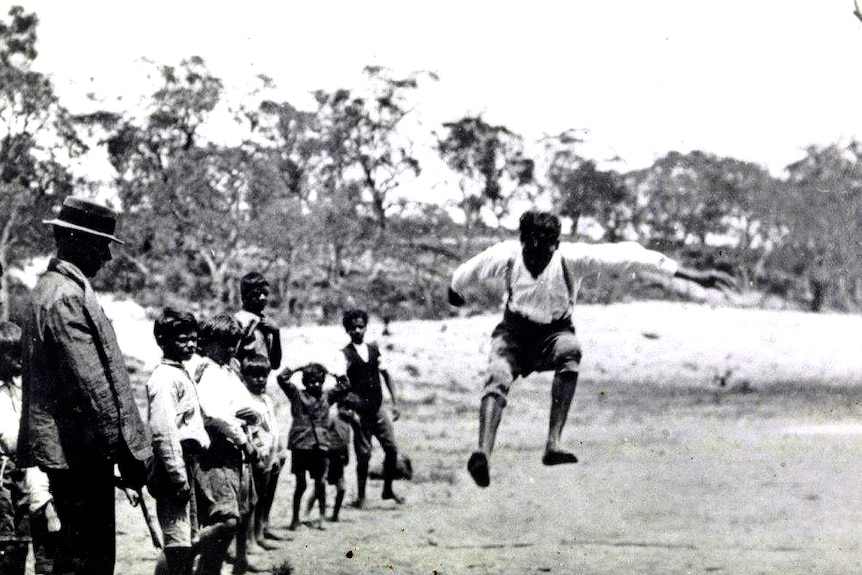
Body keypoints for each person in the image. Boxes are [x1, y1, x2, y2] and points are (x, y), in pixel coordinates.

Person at [448, 210, 736, 487]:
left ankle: (553, 444)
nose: (535, 260)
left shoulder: (573, 259)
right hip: (514, 332)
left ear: (556, 246)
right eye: (530, 252)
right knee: (497, 374)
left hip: (554, 332)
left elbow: (632, 257)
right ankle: (483, 452)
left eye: (542, 253)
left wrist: (694, 277)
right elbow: (463, 275)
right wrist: (455, 293)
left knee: (570, 350)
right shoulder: (505, 256)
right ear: (521, 243)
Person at [17, 196, 153, 575]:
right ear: (75, 241)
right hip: (77, 456)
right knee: (88, 562)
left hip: (73, 453)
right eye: (101, 245)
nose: (107, 257)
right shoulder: (65, 298)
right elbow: (92, 389)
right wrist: (132, 457)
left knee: (76, 558)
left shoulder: (55, 290)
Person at [191, 313, 264, 575]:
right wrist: (244, 440)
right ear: (208, 343)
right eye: (225, 344)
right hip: (216, 454)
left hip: (233, 455)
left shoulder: (227, 370)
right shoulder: (206, 370)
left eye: (233, 343)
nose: (230, 349)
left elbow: (249, 406)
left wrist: (251, 416)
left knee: (234, 521)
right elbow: (215, 415)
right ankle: (185, 550)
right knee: (226, 519)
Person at [146, 308, 211, 575]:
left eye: (194, 338)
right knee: (178, 541)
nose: (191, 344)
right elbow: (164, 431)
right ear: (163, 340)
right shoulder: (163, 379)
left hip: (189, 464)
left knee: (190, 537)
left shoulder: (180, 372)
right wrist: (177, 476)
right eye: (183, 339)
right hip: (175, 466)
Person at [340, 309, 404, 508]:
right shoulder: (345, 354)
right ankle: (361, 497)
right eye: (353, 328)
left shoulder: (374, 350)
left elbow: (387, 376)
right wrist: (349, 411)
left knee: (391, 449)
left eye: (361, 326)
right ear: (348, 330)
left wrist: (395, 402)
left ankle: (387, 490)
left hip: (377, 408)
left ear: (366, 327)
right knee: (364, 455)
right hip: (360, 411)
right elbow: (342, 384)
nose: (358, 331)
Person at [275, 363, 349, 530]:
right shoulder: (296, 394)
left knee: (320, 484)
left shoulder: (327, 396)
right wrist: (298, 367)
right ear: (304, 382)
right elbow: (281, 378)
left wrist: (332, 372)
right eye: (310, 382)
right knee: (300, 484)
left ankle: (322, 518)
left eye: (318, 382)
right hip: (301, 446)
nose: (314, 385)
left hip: (320, 446)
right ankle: (294, 519)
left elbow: (345, 385)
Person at [238, 354, 282, 553]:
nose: (260, 380)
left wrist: (277, 453)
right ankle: (248, 541)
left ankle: (259, 534)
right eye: (255, 376)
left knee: (263, 498)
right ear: (245, 377)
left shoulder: (266, 400)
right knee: (250, 501)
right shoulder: (244, 400)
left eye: (263, 375)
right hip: (254, 457)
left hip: (269, 457)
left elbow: (273, 428)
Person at [235, 272, 282, 371]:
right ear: (244, 297)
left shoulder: (266, 322)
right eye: (257, 294)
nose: (262, 298)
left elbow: (275, 364)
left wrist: (276, 333)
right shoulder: (239, 321)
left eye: (265, 294)